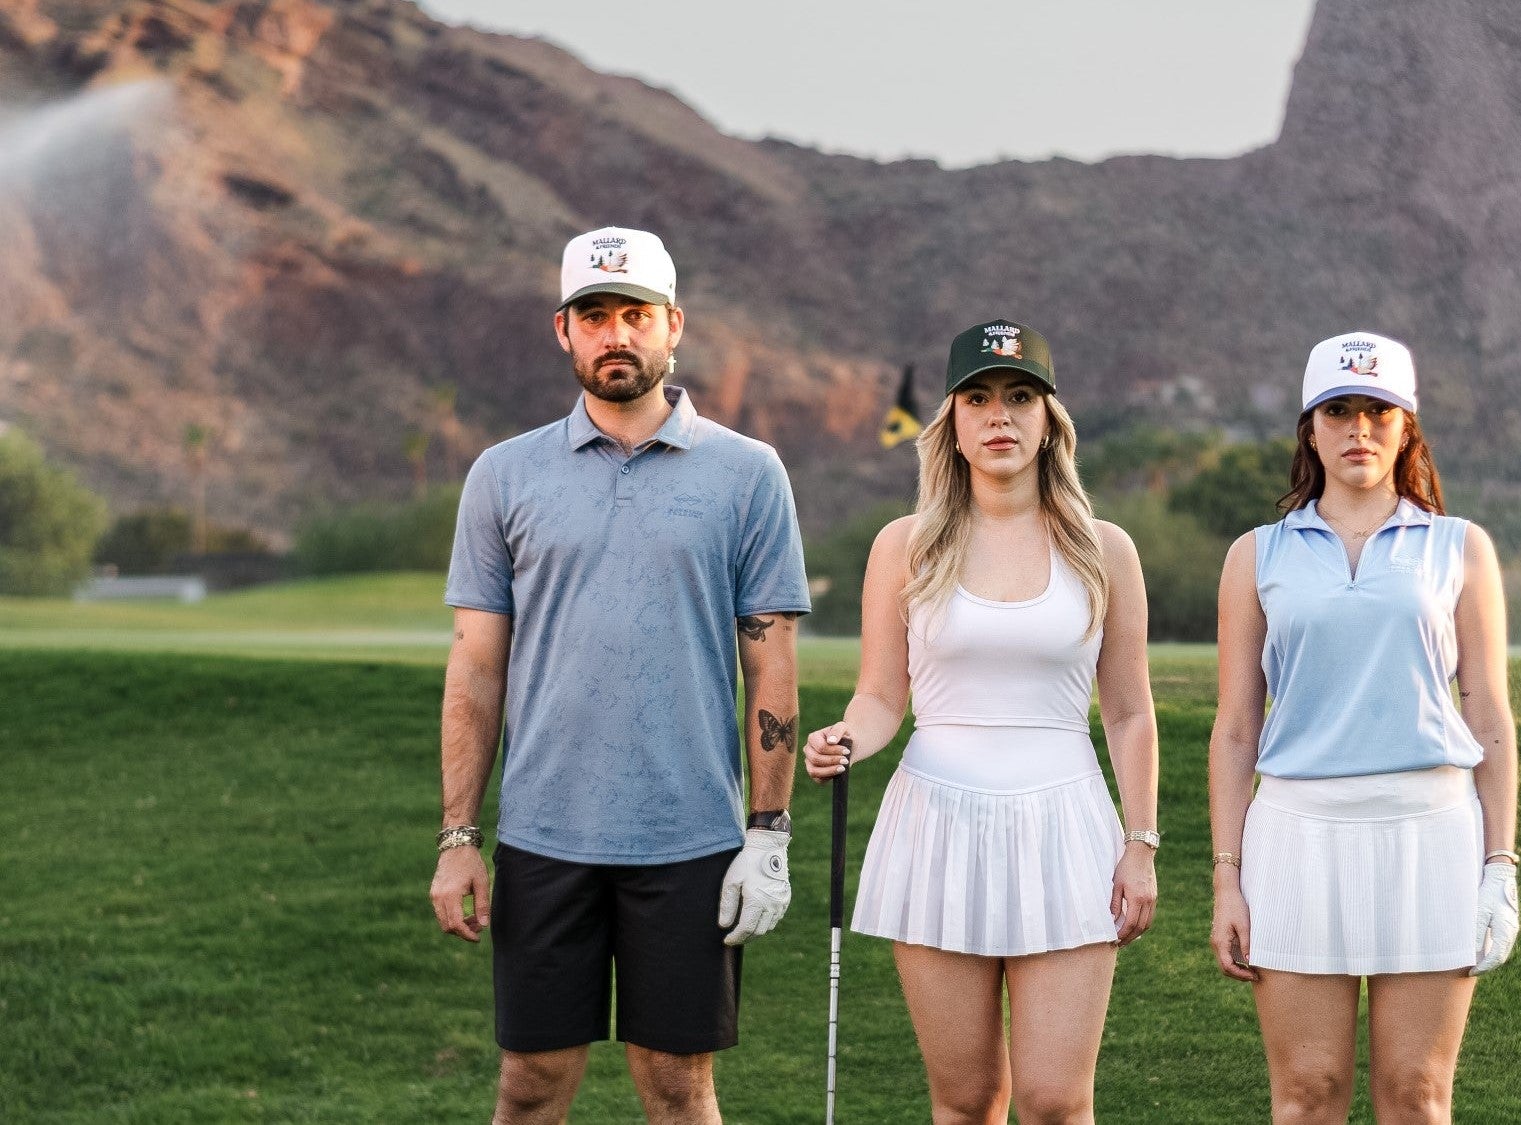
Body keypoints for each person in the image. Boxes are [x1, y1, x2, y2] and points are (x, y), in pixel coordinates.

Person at [428, 226, 811, 1125]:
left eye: (635, 314)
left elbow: (771, 663)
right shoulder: (503, 474)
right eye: (594, 315)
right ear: (563, 330)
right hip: (544, 837)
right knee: (529, 1083)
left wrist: (769, 832)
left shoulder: (748, 474)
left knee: (679, 1086)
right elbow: (476, 668)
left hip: (688, 840)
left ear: (673, 324)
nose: (616, 335)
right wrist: (458, 836)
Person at [802, 318, 1160, 1125]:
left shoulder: (1105, 549)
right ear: (953, 424)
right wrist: (846, 736)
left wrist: (1140, 842)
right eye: (979, 398)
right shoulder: (905, 546)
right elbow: (881, 696)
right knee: (965, 1101)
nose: (1000, 414)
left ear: (1049, 421)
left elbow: (1130, 711)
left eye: (1021, 396)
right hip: (936, 825)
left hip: (1067, 827)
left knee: (1056, 1100)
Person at [1207, 332, 1521, 1124]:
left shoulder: (1460, 547)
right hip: (1296, 836)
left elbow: (1488, 714)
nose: (1358, 430)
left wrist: (1500, 867)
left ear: (1406, 427)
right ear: (1310, 429)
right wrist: (1226, 877)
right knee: (1306, 1094)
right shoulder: (1256, 556)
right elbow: (1237, 729)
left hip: (1431, 835)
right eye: (1338, 411)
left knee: (1416, 1095)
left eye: (1378, 412)